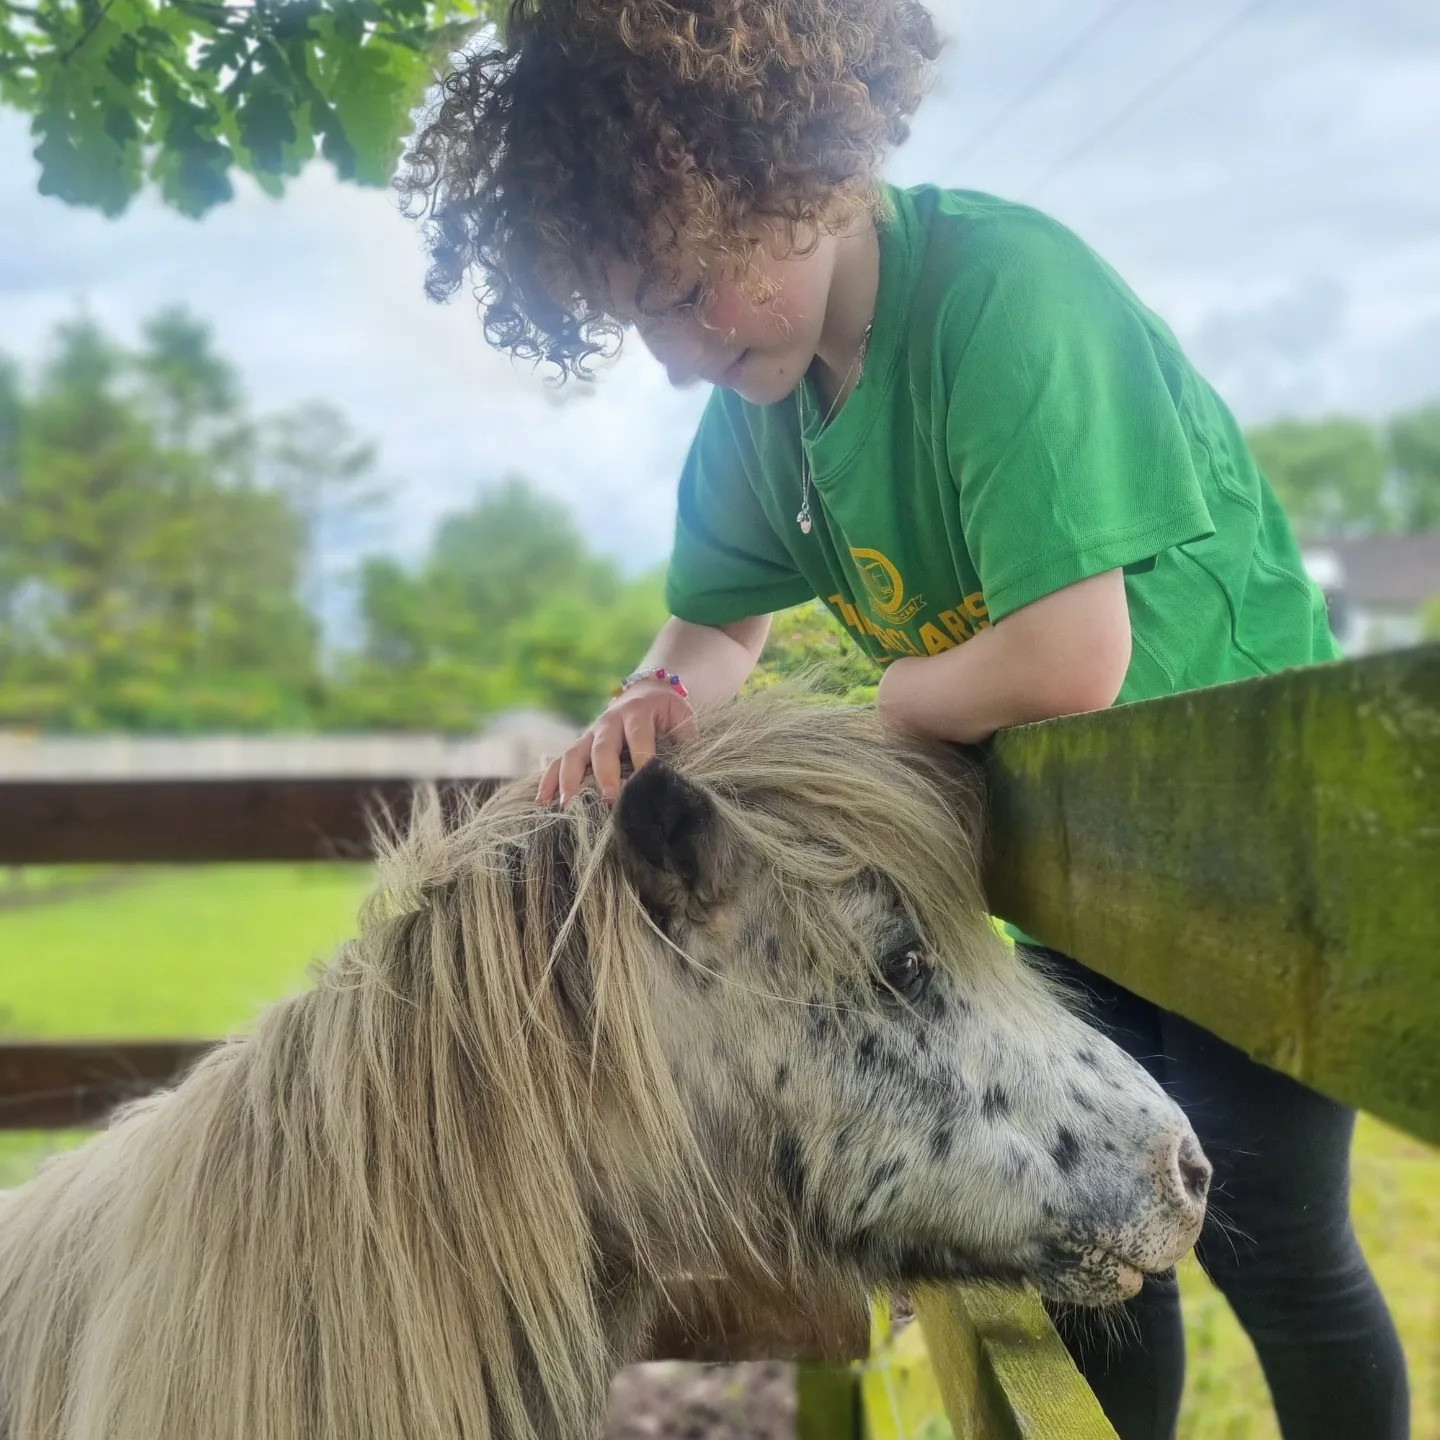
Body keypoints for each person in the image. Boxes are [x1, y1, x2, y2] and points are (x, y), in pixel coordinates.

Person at [397, 1, 1409, 1434]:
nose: (676, 355)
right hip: (1075, 860)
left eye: (687, 292)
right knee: (1091, 1239)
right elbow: (717, 623)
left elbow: (1069, 659)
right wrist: (656, 695)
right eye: (640, 319)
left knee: (1276, 1242)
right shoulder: (767, 405)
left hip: (1249, 843)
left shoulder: (1007, 298)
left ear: (793, 175)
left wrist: (892, 701)